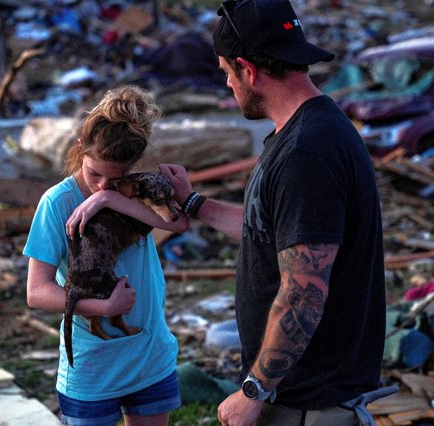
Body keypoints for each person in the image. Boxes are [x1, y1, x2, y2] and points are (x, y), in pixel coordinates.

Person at [159, 0, 388, 425]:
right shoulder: (306, 130)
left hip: (309, 407)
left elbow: (304, 293)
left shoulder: (307, 152)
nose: (227, 84)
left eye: (227, 73)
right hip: (298, 400)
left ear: (248, 69)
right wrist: (195, 204)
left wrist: (254, 389)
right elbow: (271, 232)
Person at [24, 85, 189, 426]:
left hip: (149, 353)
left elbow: (178, 223)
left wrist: (110, 200)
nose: (102, 185)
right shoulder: (57, 203)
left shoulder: (140, 192)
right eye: (95, 174)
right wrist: (104, 308)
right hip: (92, 365)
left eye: (115, 178)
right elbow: (36, 291)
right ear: (80, 149)